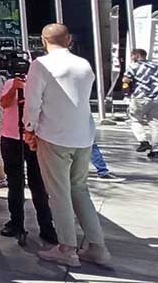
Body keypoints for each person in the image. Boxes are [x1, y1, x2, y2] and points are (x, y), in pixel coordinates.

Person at [24, 23, 113, 267]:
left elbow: (32, 104)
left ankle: (67, 248)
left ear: (43, 41)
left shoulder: (41, 65)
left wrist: (29, 129)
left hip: (53, 136)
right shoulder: (83, 65)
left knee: (58, 193)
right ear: (69, 40)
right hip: (83, 136)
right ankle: (97, 246)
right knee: (79, 189)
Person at [0, 73, 58, 244]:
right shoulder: (10, 82)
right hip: (11, 138)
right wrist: (15, 88)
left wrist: (27, 90)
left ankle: (46, 226)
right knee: (15, 183)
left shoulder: (42, 84)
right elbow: (4, 103)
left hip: (34, 138)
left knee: (38, 184)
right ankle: (16, 222)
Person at [124, 48, 158, 160]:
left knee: (134, 119)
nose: (131, 58)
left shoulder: (133, 66)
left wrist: (127, 90)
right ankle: (156, 150)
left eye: (132, 55)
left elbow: (125, 80)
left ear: (137, 56)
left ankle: (143, 141)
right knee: (156, 124)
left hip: (141, 98)